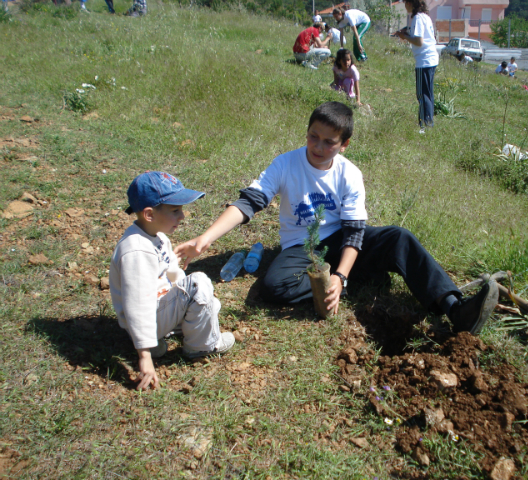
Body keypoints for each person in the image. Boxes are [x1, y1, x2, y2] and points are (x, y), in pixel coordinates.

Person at [175, 102, 499, 337]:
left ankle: (455, 307)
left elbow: (355, 233)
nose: (318, 146)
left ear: (344, 145)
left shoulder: (350, 174)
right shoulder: (285, 164)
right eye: (313, 136)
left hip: (342, 240)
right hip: (303, 246)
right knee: (273, 287)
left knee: (398, 238)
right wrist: (205, 239)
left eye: (329, 141)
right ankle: (353, 277)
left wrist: (340, 277)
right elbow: (251, 201)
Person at [110, 172, 235, 391]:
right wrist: (145, 357)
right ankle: (200, 346)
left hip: (159, 312)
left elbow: (168, 273)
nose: (183, 216)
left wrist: (176, 272)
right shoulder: (136, 250)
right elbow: (137, 305)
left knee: (211, 304)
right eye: (175, 210)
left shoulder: (158, 236)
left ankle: (157, 340)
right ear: (149, 214)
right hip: (149, 315)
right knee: (199, 283)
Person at [394, 0, 439, 133]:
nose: (405, 6)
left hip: (424, 60)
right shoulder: (425, 16)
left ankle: (424, 126)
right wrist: (407, 32)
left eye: (405, 3)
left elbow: (419, 41)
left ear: (411, 3)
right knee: (428, 94)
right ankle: (429, 122)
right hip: (430, 59)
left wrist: (404, 36)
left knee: (422, 94)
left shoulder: (418, 18)